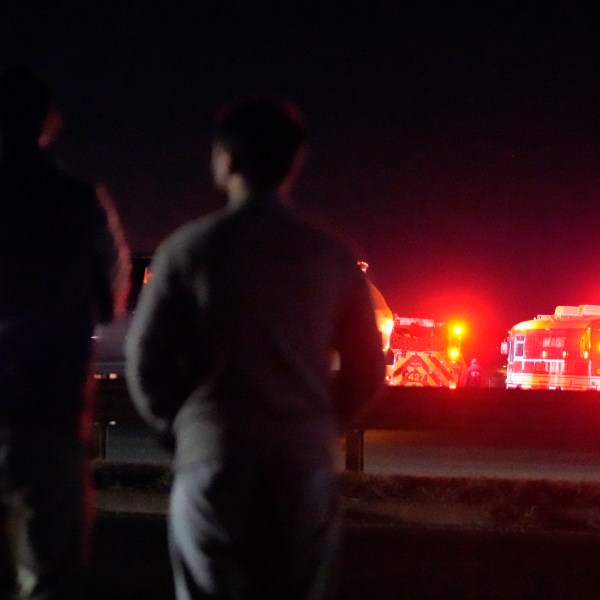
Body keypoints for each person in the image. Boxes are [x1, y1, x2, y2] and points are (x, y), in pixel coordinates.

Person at [125, 99, 385, 599]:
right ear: (295, 161)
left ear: (224, 159)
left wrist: (181, 428)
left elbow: (145, 358)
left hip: (214, 454)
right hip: (301, 459)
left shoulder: (188, 249)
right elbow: (367, 368)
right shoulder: (331, 256)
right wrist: (322, 425)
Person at [0, 66, 130, 598]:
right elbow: (109, 301)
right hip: (47, 408)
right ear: (48, 124)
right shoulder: (78, 203)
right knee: (51, 573)